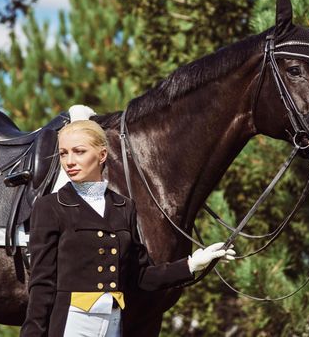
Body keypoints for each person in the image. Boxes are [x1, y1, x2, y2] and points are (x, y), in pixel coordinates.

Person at [20, 119, 235, 337]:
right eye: (63, 153)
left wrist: (192, 264)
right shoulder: (50, 207)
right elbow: (42, 284)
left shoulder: (124, 207)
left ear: (102, 155)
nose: (69, 161)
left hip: (114, 325)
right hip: (73, 324)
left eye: (79, 151)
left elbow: (140, 275)